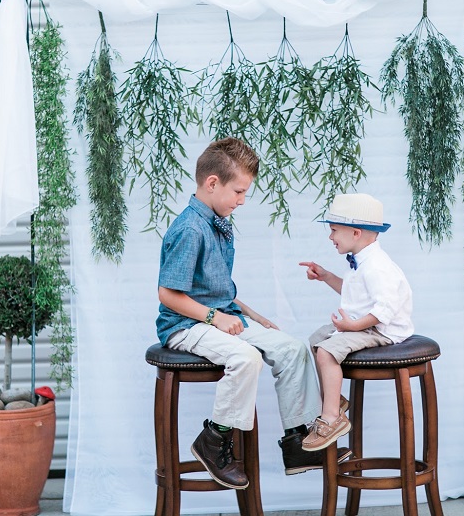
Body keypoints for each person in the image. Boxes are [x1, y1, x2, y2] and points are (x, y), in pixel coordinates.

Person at [156, 137, 348, 489]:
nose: (242, 200)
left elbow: (214, 287)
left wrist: (252, 315)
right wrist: (215, 318)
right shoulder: (189, 229)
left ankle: (298, 443)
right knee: (246, 359)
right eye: (239, 192)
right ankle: (214, 441)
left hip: (219, 316)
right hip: (185, 325)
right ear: (212, 183)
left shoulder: (216, 219)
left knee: (290, 348)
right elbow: (168, 294)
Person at [299, 193, 414, 451]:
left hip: (381, 329)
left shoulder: (376, 267)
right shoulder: (360, 262)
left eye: (334, 230)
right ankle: (334, 399)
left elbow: (386, 308)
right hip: (366, 323)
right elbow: (355, 296)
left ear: (355, 233)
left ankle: (331, 418)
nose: (330, 237)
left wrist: (352, 327)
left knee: (327, 351)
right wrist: (326, 276)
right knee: (317, 340)